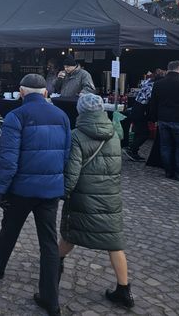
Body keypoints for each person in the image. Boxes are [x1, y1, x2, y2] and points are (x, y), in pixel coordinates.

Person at [0, 73, 70, 316]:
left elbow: (8, 160)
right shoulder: (62, 116)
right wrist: (62, 186)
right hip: (49, 189)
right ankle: (50, 298)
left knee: (10, 228)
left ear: (21, 92)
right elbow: (67, 156)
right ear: (45, 93)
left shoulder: (16, 116)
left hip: (22, 188)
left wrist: (0, 189)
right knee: (48, 243)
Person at [58, 94, 134, 309]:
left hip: (84, 196)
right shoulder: (114, 135)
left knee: (69, 236)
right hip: (109, 196)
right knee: (114, 243)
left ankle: (52, 272)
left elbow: (72, 174)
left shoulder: (76, 136)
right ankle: (124, 289)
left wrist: (62, 193)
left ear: (81, 112)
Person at [149, 60, 179, 181]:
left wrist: (153, 118)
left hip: (163, 119)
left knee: (165, 146)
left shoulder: (158, 84)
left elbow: (153, 103)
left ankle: (168, 171)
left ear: (168, 69)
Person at [125, 74, 153, 163]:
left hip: (136, 108)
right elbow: (150, 100)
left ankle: (134, 152)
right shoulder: (153, 86)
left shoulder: (147, 83)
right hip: (141, 110)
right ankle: (131, 149)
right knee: (145, 133)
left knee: (138, 132)